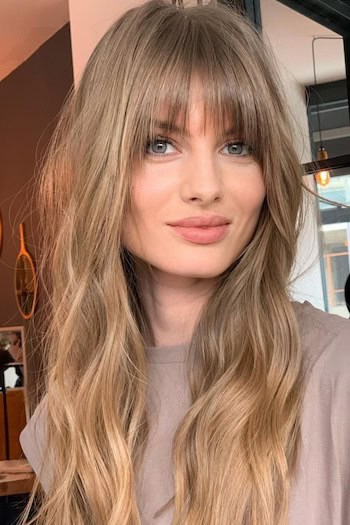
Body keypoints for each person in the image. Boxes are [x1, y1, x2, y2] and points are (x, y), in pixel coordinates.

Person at [18, 1, 350, 524]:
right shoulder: (66, 417)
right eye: (160, 143)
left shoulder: (338, 373)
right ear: (102, 166)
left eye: (237, 145)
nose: (206, 187)